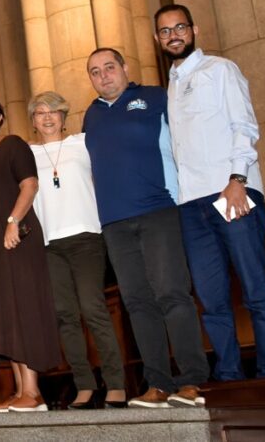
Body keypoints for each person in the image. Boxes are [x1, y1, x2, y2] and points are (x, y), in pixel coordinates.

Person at [155, 4, 265, 381]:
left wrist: (237, 179)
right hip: (191, 204)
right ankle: (228, 375)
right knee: (211, 298)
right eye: (165, 31)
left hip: (230, 192)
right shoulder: (172, 86)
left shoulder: (220, 69)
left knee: (255, 287)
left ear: (194, 29)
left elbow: (243, 124)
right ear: (158, 39)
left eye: (179, 27)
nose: (173, 35)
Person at [83, 48, 209, 408]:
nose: (104, 75)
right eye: (95, 72)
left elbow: (186, 142)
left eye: (109, 67)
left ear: (125, 67)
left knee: (172, 293)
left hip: (158, 210)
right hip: (114, 222)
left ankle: (192, 380)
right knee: (137, 302)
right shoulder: (91, 115)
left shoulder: (154, 97)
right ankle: (158, 384)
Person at [0, 92, 61, 413]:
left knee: (22, 311)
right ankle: (21, 390)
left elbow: (30, 184)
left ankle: (33, 391)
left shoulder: (13, 145)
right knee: (6, 315)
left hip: (16, 239)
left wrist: (12, 221)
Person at [27, 91, 126, 409]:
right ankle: (84, 384)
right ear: (33, 120)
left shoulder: (82, 144)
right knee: (65, 316)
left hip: (86, 237)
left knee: (93, 308)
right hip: (49, 244)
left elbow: (111, 173)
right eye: (40, 112)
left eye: (53, 111)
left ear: (63, 116)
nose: (47, 117)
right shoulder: (28, 154)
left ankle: (116, 383)